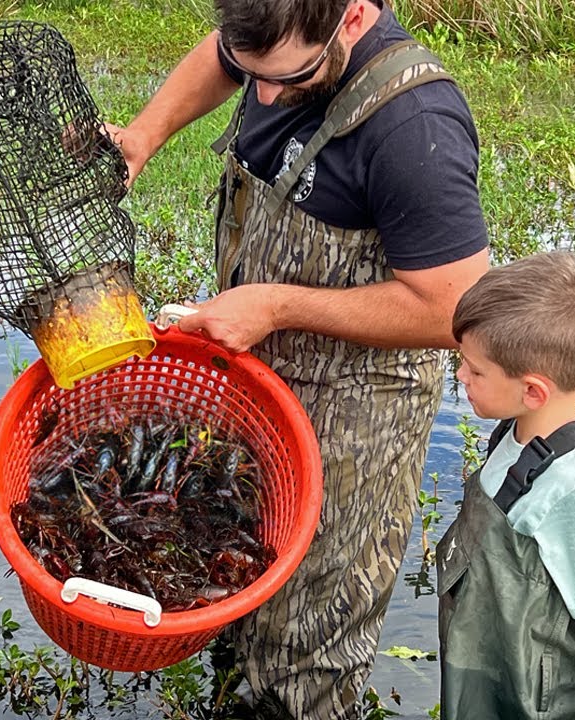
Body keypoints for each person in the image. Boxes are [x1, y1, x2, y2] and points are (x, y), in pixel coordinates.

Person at [107, 0, 488, 717]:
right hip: (259, 384)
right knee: (236, 567)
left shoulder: (415, 126)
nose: (269, 96)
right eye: (253, 75)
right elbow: (227, 56)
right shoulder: (274, 31)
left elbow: (455, 308)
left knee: (312, 624)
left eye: (290, 76)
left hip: (356, 413)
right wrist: (144, 136)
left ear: (352, 16)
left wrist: (277, 306)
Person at [439, 251, 575, 719]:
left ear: (534, 390)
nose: (460, 376)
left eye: (475, 370)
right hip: (492, 677)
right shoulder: (516, 432)